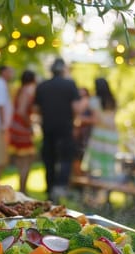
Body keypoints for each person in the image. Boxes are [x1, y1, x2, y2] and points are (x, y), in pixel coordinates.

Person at [33, 58, 81, 201]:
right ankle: (60, 187)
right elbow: (76, 108)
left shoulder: (42, 86)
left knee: (49, 159)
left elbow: (36, 109)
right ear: (63, 69)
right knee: (66, 158)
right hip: (65, 127)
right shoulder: (70, 84)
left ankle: (50, 189)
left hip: (47, 128)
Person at [81, 78, 119, 180]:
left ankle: (95, 189)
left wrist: (81, 119)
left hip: (100, 134)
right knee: (108, 165)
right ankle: (107, 188)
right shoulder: (113, 100)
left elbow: (96, 120)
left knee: (96, 166)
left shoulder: (95, 101)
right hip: (113, 134)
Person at [8, 69, 37, 194]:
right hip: (22, 128)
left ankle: (22, 188)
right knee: (26, 160)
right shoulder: (26, 91)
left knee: (22, 160)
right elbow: (21, 110)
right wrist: (29, 125)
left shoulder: (19, 90)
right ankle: (23, 189)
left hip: (16, 126)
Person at [72, 87, 96, 176]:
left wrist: (81, 119)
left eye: (84, 95)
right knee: (75, 159)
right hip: (77, 137)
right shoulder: (76, 105)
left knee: (83, 160)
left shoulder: (90, 106)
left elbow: (95, 119)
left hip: (86, 136)